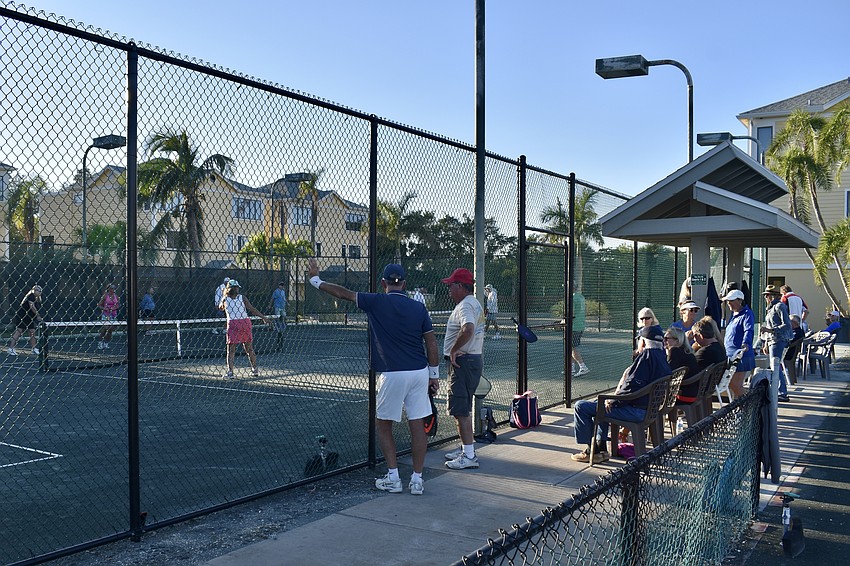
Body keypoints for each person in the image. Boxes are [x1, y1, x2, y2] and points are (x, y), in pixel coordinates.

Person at [307, 259, 439, 495]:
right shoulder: (418, 308)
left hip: (392, 373)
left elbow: (344, 293)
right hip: (419, 372)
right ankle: (417, 480)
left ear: (383, 283)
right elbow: (431, 342)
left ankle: (394, 477)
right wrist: (434, 374)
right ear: (405, 284)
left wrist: (316, 280)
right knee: (417, 425)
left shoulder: (376, 301)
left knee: (383, 425)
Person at [571, 326, 671, 463]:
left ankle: (591, 450)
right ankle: (601, 448)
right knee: (597, 402)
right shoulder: (662, 356)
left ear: (643, 342)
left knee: (580, 406)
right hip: (649, 409)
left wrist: (613, 401)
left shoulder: (645, 358)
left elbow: (631, 387)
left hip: (637, 411)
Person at [441, 268, 485, 470]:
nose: (449, 289)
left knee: (461, 410)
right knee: (463, 407)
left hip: (463, 362)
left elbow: (468, 328)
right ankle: (465, 449)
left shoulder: (466, 305)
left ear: (460, 286)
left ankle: (469, 456)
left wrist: (454, 349)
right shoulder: (473, 303)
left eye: (451, 285)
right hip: (470, 361)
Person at [218, 279, 269, 379]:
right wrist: (263, 317)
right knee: (246, 348)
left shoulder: (227, 299)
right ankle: (253, 369)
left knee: (233, 350)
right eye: (236, 287)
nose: (237, 289)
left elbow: (220, 307)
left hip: (235, 323)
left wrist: (263, 317)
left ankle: (231, 372)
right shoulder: (239, 298)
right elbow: (252, 309)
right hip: (243, 323)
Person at [720, 289, 755, 398]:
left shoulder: (747, 314)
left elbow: (748, 330)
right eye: (728, 301)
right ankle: (740, 408)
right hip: (731, 356)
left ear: (740, 301)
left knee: (735, 384)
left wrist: (746, 343)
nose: (729, 303)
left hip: (741, 356)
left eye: (731, 300)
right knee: (733, 385)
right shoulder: (733, 314)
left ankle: (747, 408)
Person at [761, 285, 793, 402]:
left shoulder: (779, 306)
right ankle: (779, 391)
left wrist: (771, 331)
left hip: (779, 340)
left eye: (767, 296)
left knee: (776, 366)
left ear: (770, 296)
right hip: (772, 340)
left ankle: (782, 392)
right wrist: (765, 342)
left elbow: (787, 325)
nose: (766, 298)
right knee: (775, 366)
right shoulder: (770, 308)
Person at [8, 285, 43, 356]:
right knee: (19, 331)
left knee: (32, 332)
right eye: (37, 290)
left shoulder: (37, 299)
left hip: (29, 318)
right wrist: (38, 315)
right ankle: (10, 348)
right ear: (34, 290)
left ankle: (34, 348)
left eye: (40, 291)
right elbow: (32, 306)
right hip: (22, 316)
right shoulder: (31, 296)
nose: (39, 292)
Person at [664, 326, 699, 392]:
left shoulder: (675, 351)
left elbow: (667, 374)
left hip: (682, 394)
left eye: (666, 339)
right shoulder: (687, 352)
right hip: (692, 391)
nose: (664, 341)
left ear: (677, 341)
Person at [784, 314, 806, 386]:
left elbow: (789, 343)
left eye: (789, 321)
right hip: (790, 353)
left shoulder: (797, 333)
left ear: (795, 323)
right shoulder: (798, 331)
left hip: (788, 354)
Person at [572, 291, 590, 376]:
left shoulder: (573, 298)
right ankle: (571, 368)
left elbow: (572, 312)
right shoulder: (581, 297)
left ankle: (583, 367)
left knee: (573, 348)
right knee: (570, 347)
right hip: (580, 325)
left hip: (574, 326)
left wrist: (564, 320)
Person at [97, 283, 120, 350]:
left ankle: (106, 343)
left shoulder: (116, 296)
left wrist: (115, 307)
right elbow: (99, 305)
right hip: (106, 314)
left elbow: (118, 304)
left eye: (114, 288)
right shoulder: (105, 296)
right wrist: (105, 308)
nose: (114, 289)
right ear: (109, 289)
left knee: (110, 330)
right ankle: (101, 342)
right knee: (105, 328)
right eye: (112, 288)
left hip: (113, 314)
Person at [270, 281, 287, 348]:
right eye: (281, 285)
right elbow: (272, 298)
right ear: (279, 286)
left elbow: (284, 298)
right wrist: (270, 305)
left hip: (282, 306)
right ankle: (276, 325)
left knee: (283, 316)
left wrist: (287, 303)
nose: (282, 286)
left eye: (282, 285)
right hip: (277, 306)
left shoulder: (283, 292)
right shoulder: (276, 291)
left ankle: (282, 325)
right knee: (277, 316)